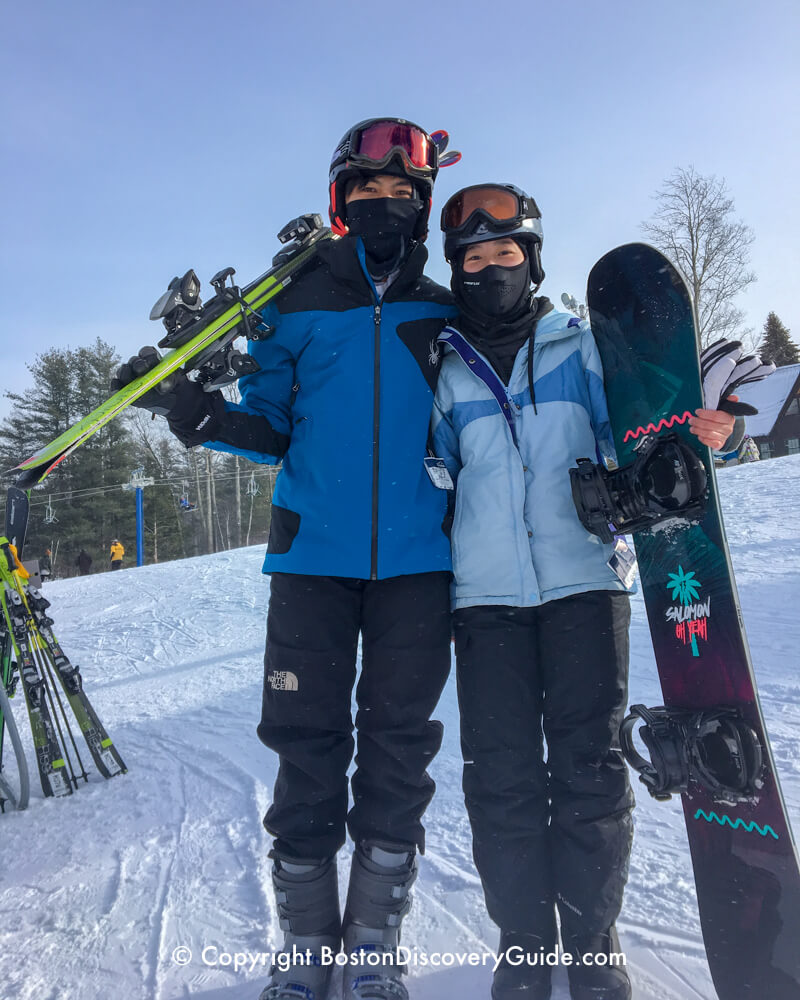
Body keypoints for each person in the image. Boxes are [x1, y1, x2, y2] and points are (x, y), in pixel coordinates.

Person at [112, 119, 457, 1000]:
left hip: (419, 567)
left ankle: (374, 942)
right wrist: (200, 415)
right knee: (305, 747)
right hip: (311, 565)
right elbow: (272, 424)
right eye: (368, 193)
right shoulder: (296, 306)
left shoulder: (447, 311)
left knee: (397, 749)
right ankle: (306, 945)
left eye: (402, 195)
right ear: (341, 202)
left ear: (421, 209)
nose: (386, 206)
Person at [430, 183, 744, 1000]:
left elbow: (650, 435)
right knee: (499, 780)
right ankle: (527, 947)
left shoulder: (580, 344)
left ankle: (594, 945)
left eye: (506, 253)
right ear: (456, 269)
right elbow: (431, 477)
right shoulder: (442, 366)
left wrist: (718, 434)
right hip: (484, 601)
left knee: (590, 774)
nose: (491, 267)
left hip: (583, 587)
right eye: (475, 256)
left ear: (531, 261)